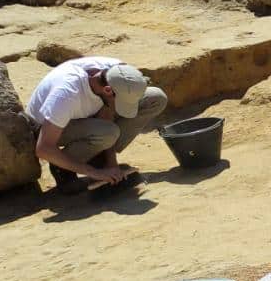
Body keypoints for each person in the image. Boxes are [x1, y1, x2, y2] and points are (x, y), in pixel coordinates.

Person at [24, 57, 167, 195]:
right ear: (107, 90)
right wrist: (95, 173)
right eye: (121, 102)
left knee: (155, 98)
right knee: (108, 133)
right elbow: (43, 148)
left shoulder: (118, 72)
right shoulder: (66, 94)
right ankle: (62, 166)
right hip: (47, 127)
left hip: (86, 114)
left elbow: (106, 115)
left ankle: (98, 156)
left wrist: (111, 164)